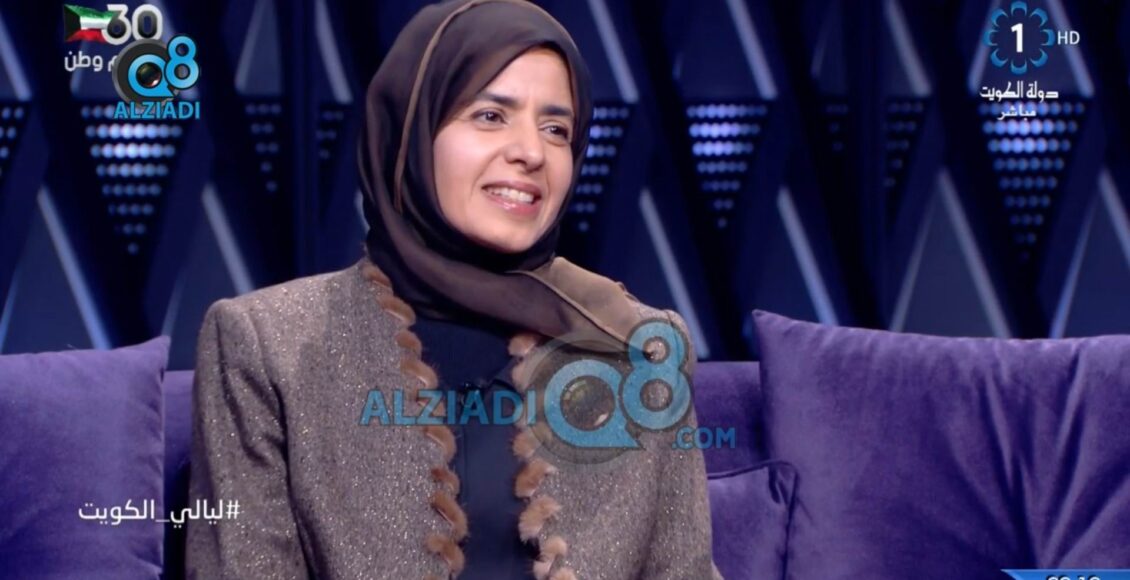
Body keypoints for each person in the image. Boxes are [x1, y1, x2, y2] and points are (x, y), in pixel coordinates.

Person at [186, 0, 720, 578]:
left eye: (556, 130)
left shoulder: (639, 346)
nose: (531, 152)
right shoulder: (269, 346)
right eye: (491, 116)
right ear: (411, 134)